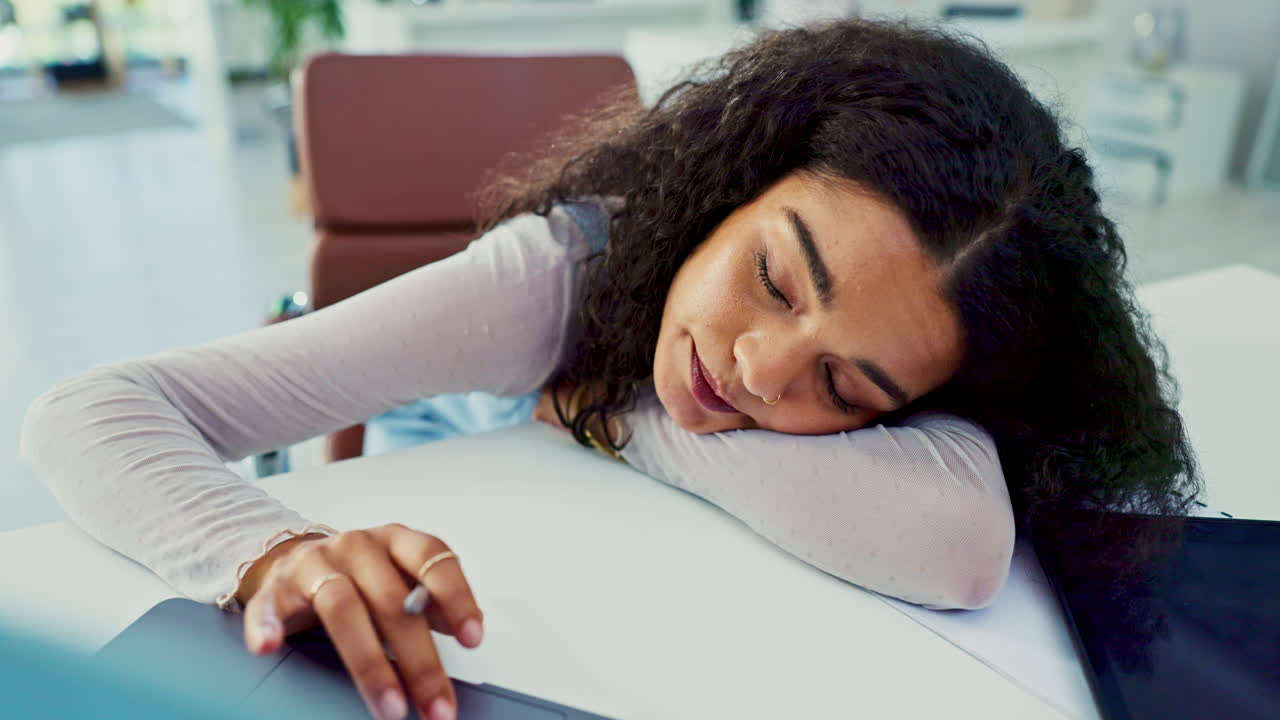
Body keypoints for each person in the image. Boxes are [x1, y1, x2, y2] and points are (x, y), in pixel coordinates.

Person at [20, 17, 1200, 720]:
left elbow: (962, 546)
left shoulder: (849, 373)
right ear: (736, 184)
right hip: (465, 535)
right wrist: (271, 548)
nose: (754, 369)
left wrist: (610, 417)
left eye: (847, 392)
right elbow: (95, 410)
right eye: (775, 279)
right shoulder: (556, 275)